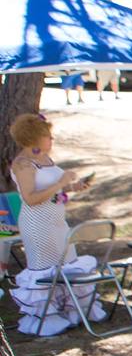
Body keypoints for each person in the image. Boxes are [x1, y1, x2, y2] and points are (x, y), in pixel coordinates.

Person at [6, 113, 105, 336]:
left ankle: (72, 311)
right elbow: (31, 197)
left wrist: (72, 187)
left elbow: (50, 189)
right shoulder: (23, 164)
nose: (51, 140)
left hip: (57, 220)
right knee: (44, 269)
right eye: (47, 136)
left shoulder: (45, 159)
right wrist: (61, 182)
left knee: (66, 263)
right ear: (34, 138)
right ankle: (47, 319)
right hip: (37, 222)